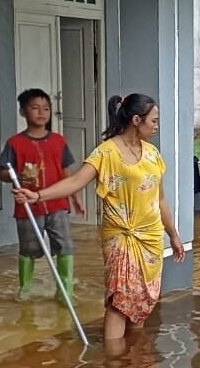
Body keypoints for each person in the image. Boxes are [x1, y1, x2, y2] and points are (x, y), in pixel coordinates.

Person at [13, 93, 186, 343]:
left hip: (150, 240)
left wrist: (174, 235)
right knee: (118, 302)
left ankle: (136, 358)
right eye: (154, 121)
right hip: (120, 238)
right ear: (137, 120)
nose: (157, 127)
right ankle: (114, 366)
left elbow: (160, 200)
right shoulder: (106, 153)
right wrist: (37, 196)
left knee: (139, 303)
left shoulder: (153, 155)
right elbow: (74, 182)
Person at [0, 88, 83, 301]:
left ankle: (65, 292)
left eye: (46, 108)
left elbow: (68, 173)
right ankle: (25, 289)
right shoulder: (15, 143)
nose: (41, 113)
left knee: (65, 246)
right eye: (34, 108)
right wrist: (16, 174)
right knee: (29, 248)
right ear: (22, 112)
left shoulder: (59, 141)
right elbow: (1, 173)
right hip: (27, 206)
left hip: (57, 204)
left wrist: (75, 197)